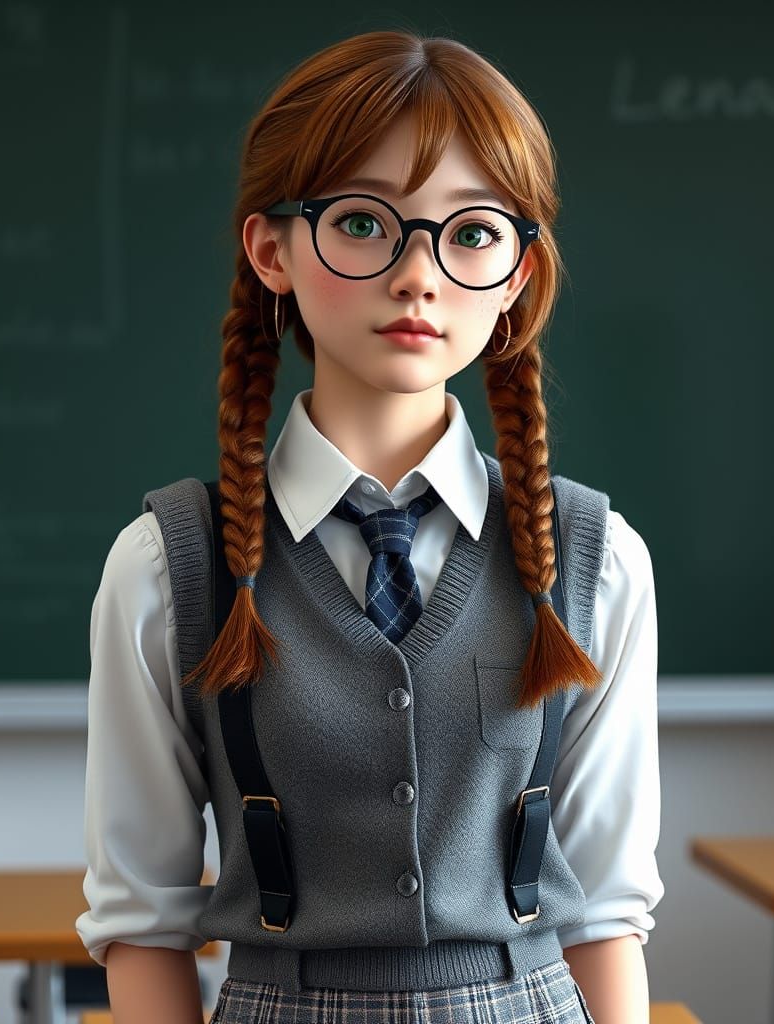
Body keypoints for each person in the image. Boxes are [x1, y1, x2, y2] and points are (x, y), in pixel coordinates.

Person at [76, 29, 664, 1024]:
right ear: (271, 249)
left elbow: (605, 911)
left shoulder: (594, 560)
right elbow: (142, 922)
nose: (418, 274)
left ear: (518, 273)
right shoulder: (167, 565)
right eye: (362, 221)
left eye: (471, 231)